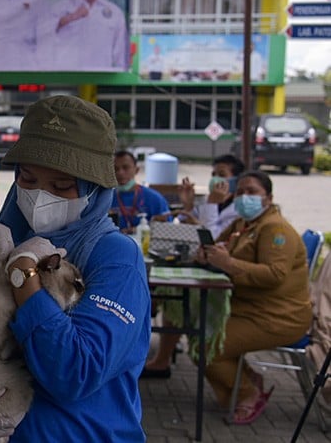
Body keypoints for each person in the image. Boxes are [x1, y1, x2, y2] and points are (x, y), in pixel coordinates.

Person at [0, 95, 149, 441]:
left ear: (94, 189)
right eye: (27, 178)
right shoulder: (7, 239)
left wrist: (23, 274)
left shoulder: (115, 258)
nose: (40, 196)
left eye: (62, 186)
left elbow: (76, 372)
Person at [196, 171, 310, 424]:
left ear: (268, 199)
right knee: (198, 334)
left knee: (206, 348)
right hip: (246, 308)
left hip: (278, 317)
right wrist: (208, 255)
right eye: (240, 192)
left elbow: (274, 275)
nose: (244, 197)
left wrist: (229, 263)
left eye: (252, 192)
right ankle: (245, 381)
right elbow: (216, 245)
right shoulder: (243, 224)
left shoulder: (275, 228)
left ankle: (248, 393)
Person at [141, 154, 246, 380]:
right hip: (200, 267)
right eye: (213, 174)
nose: (216, 179)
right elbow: (190, 229)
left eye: (222, 175)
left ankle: (162, 356)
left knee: (177, 298)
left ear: (236, 180)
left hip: (223, 278)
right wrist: (188, 205)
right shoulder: (212, 201)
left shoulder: (238, 209)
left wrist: (210, 205)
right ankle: (160, 354)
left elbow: (210, 240)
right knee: (170, 294)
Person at [42, 0, 128, 71]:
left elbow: (121, 57)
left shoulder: (115, 13)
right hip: (65, 79)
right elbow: (42, 37)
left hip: (102, 78)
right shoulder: (59, 9)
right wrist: (72, 17)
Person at [111, 150, 170, 233]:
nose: (120, 172)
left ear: (136, 170)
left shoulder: (154, 198)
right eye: (115, 169)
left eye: (125, 167)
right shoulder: (106, 199)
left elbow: (168, 228)